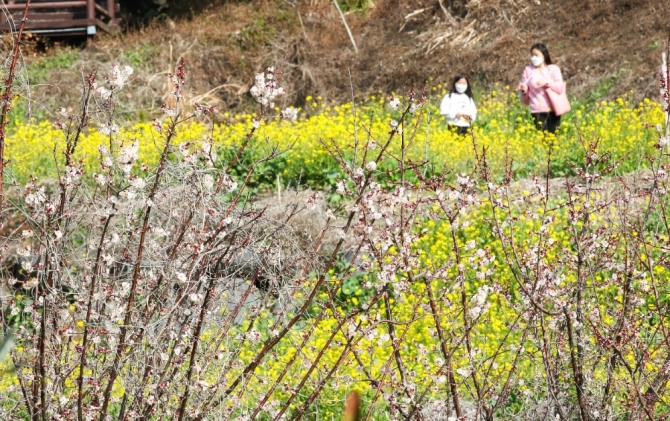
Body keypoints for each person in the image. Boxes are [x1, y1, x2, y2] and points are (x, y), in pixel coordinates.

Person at [518, 43, 566, 133]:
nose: (533, 58)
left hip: (554, 109)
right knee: (544, 140)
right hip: (537, 110)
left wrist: (547, 83)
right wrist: (524, 90)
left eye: (536, 55)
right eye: (532, 55)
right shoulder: (528, 70)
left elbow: (559, 88)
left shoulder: (554, 69)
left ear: (544, 55)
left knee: (553, 140)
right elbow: (523, 93)